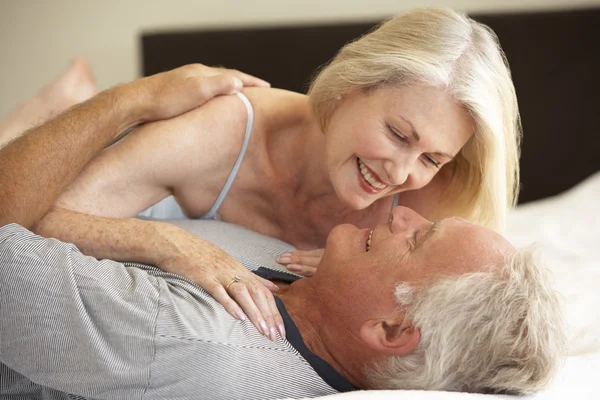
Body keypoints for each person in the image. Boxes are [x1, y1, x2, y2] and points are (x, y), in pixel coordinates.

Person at [32, 7, 522, 339]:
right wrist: (169, 243)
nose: (400, 172)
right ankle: (59, 105)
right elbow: (35, 218)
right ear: (350, 85)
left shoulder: (433, 198)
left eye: (432, 158)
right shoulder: (217, 131)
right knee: (30, 140)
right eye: (397, 133)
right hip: (133, 162)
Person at [0, 206, 565, 399]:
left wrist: (157, 240)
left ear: (392, 331)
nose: (401, 213)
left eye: (417, 238)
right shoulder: (303, 276)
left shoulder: (186, 337)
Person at [0, 60, 270, 229]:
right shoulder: (218, 126)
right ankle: (50, 107)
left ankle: (52, 106)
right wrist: (137, 98)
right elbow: (29, 213)